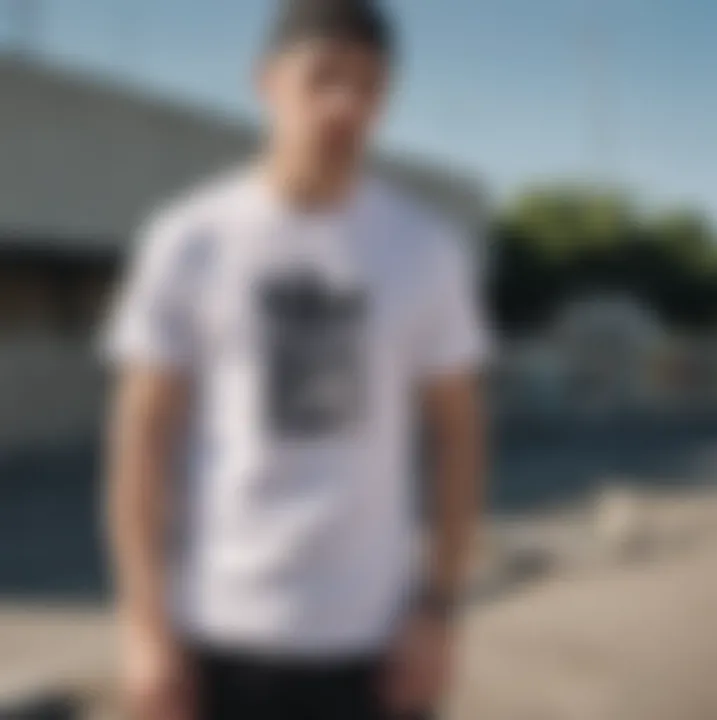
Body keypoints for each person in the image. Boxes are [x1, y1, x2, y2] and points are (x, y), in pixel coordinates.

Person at [104, 0, 488, 717]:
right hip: (216, 636)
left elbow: (459, 436)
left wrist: (439, 608)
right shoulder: (189, 241)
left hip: (374, 647)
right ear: (267, 83)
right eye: (324, 77)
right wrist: (143, 625)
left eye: (370, 85)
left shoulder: (425, 249)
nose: (346, 104)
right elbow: (142, 441)